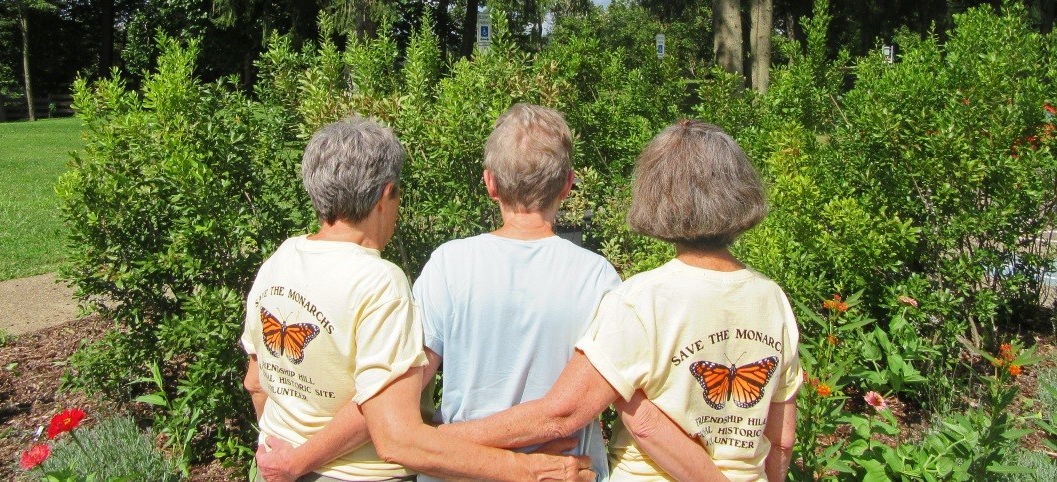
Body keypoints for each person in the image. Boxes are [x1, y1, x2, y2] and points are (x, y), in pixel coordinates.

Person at [438, 119, 803, 482]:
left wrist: (430, 442)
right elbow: (782, 439)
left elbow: (587, 415)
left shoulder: (641, 300)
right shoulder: (772, 299)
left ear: (657, 195)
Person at [241, 117, 595, 482]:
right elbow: (392, 432)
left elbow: (256, 381)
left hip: (276, 463)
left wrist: (283, 453)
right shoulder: (379, 282)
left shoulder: (278, 261)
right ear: (385, 196)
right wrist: (523, 467)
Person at [411, 103, 621, 481]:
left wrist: (435, 442)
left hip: (459, 472)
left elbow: (403, 388)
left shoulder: (448, 265)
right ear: (568, 184)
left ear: (490, 183)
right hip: (564, 470)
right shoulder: (598, 279)